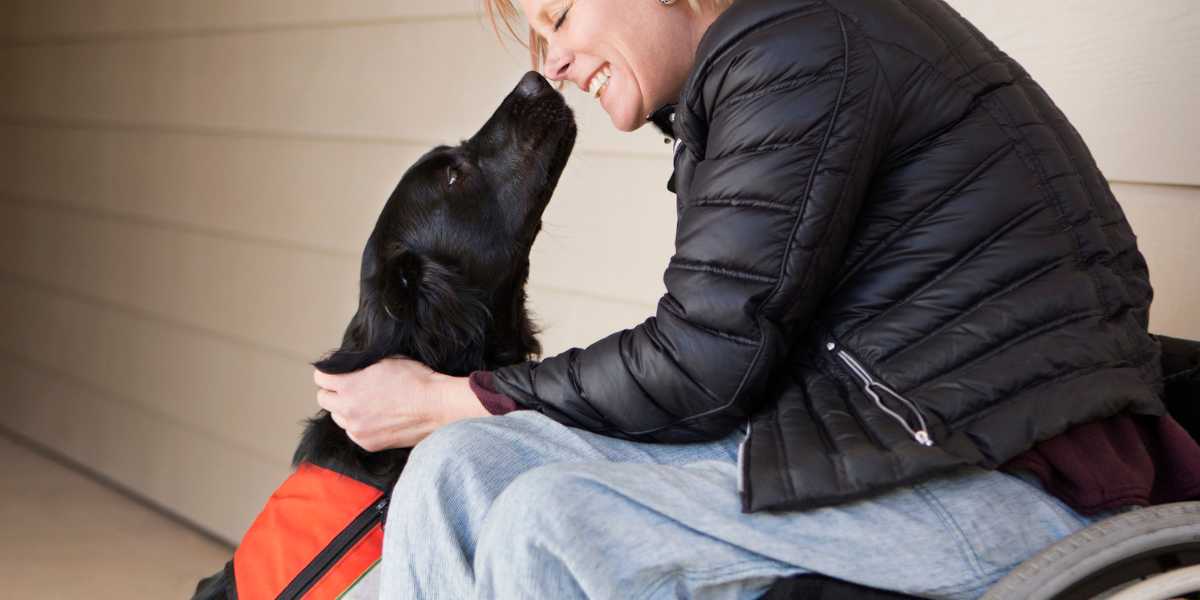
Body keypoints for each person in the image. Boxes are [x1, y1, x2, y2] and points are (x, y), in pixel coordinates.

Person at [311, 0, 1200, 597]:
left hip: (998, 484)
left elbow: (703, 360)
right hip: (873, 446)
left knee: (553, 522)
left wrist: (457, 394)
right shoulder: (769, 59)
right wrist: (463, 422)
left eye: (562, 15)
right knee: (460, 469)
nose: (556, 61)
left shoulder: (802, 47)